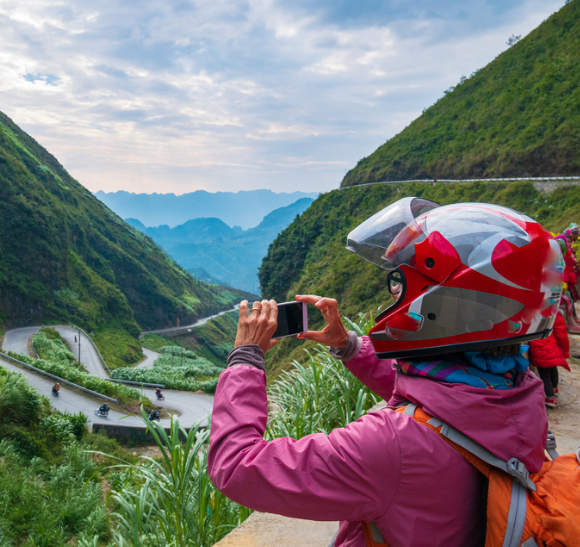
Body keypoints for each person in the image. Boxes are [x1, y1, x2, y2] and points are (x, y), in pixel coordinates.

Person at [209, 198, 560, 546]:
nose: (394, 295)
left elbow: (238, 466)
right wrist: (348, 345)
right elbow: (442, 400)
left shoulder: (391, 447)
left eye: (401, 283)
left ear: (444, 303)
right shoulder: (520, 391)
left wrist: (246, 358)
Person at [529, 311, 571, 408]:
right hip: (551, 346)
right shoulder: (553, 313)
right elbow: (562, 334)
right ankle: (554, 389)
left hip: (537, 348)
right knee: (552, 367)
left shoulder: (530, 312)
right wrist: (565, 350)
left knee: (544, 374)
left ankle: (550, 397)